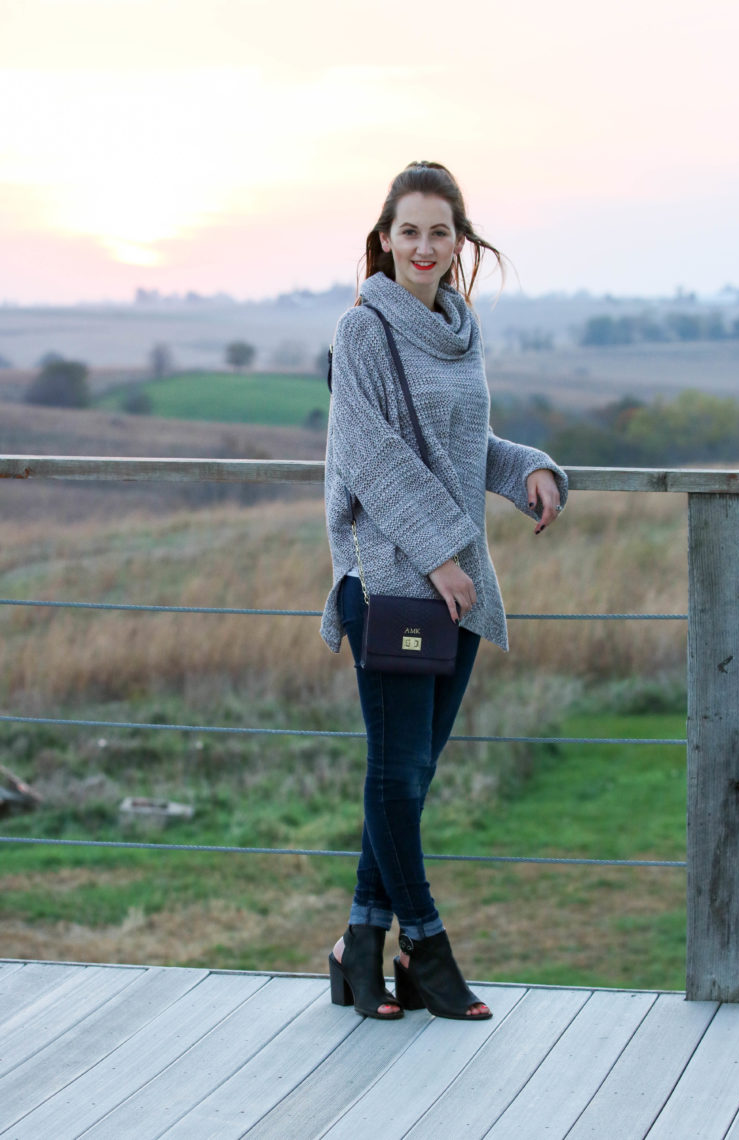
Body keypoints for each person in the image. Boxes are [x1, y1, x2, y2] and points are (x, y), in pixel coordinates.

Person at [320, 161, 568, 1021]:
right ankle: (423, 946)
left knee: (410, 774)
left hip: (454, 587)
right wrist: (438, 555)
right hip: (393, 585)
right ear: (384, 239)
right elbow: (373, 455)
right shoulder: (362, 332)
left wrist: (529, 468)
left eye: (440, 231)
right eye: (410, 230)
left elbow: (467, 442)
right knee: (397, 773)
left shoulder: (459, 330)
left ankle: (358, 947)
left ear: (459, 242)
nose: (425, 247)